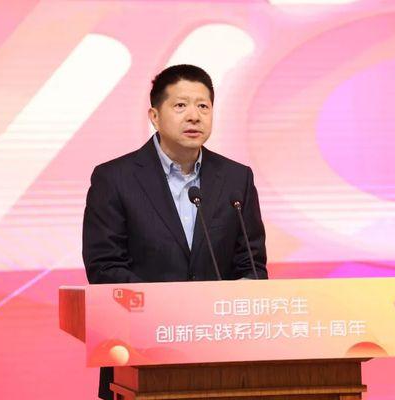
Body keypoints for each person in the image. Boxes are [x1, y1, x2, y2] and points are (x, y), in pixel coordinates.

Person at [82, 64, 267, 400]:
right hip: (140, 357)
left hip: (221, 358)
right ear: (154, 116)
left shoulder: (236, 178)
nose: (194, 116)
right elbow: (104, 268)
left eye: (203, 106)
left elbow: (252, 266)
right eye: (180, 105)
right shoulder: (115, 179)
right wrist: (173, 310)